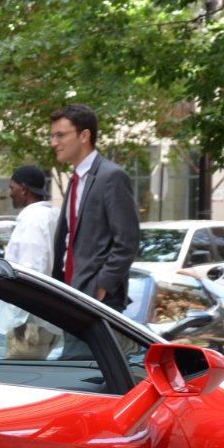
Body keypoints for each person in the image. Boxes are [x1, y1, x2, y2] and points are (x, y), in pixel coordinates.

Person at [48, 103, 139, 309]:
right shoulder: (76, 178)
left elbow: (127, 241)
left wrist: (103, 285)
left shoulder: (111, 176)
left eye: (60, 135)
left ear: (84, 135)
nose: (54, 142)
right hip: (69, 290)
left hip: (96, 298)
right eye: (52, 136)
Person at [0, 163, 60, 357]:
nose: (10, 193)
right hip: (47, 316)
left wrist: (21, 320)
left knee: (19, 379)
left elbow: (32, 268)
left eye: (12, 188)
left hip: (29, 320)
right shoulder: (52, 214)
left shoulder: (32, 217)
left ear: (23, 189)